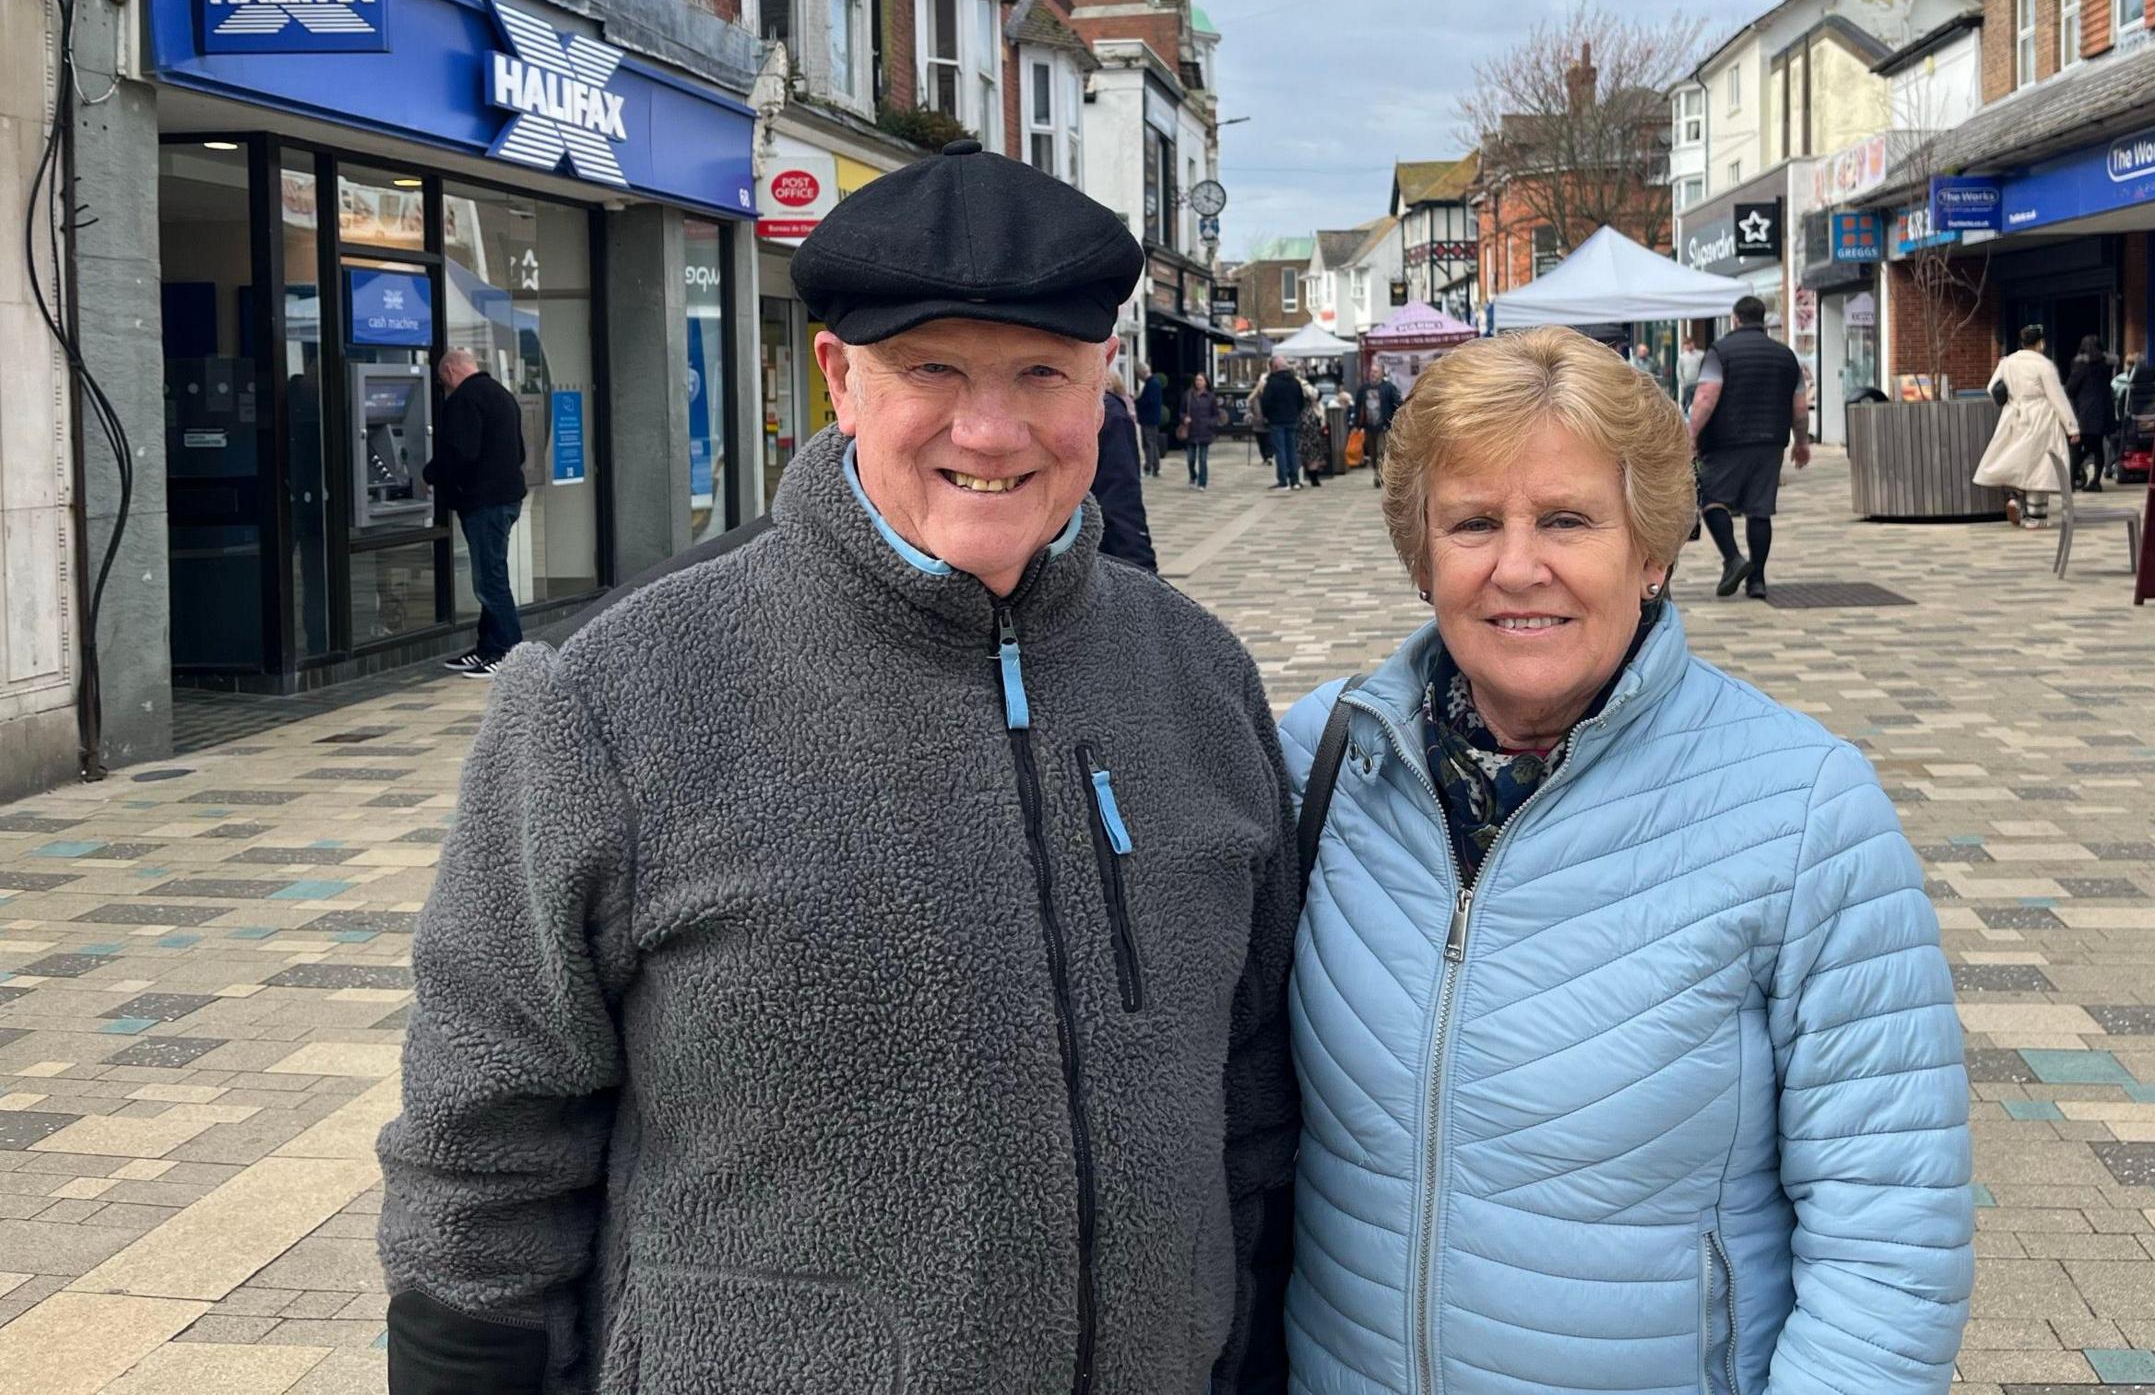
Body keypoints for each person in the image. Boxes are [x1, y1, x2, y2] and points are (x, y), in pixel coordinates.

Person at [377, 138, 1297, 1395]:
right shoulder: (611, 698)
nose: (991, 427)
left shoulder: (1197, 678)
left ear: (1103, 386)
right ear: (839, 380)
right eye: (933, 369)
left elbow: (1248, 1091)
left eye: (1042, 372)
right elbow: (484, 1146)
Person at [1282, 326, 1971, 1395]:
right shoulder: (1321, 760)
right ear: (1421, 555)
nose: (1519, 564)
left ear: (1651, 548)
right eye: (1473, 522)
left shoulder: (1801, 808)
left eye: (1567, 519)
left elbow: (1891, 1229)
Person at [1688, 295, 1811, 599]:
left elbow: (1706, 397)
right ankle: (1757, 580)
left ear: (1735, 319)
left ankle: (1733, 559)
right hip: (1771, 442)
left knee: (1713, 500)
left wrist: (1690, 434)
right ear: (1763, 320)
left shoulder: (1721, 352)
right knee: (1760, 510)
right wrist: (1802, 443)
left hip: (1726, 441)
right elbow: (1800, 408)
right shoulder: (1786, 356)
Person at [424, 346, 527, 679]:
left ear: (452, 372)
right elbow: (521, 451)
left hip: (485, 502)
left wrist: (430, 475)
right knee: (491, 573)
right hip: (507, 499)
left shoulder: (465, 400)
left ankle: (511, 653)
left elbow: (461, 453)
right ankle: (488, 647)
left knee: (489, 580)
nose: (445, 388)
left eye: (443, 382)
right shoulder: (502, 396)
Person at [1973, 324, 2079, 529]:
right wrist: (2071, 426)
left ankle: (2014, 498)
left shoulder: (2008, 362)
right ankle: (2036, 516)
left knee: (2015, 460)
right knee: (2040, 466)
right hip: (2041, 417)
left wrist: (2009, 399)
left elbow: (1991, 387)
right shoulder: (2043, 365)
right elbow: (2057, 396)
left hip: (2014, 414)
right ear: (2041, 343)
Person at [1097, 370, 1158, 569]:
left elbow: (1120, 501)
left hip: (1100, 557)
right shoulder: (1113, 413)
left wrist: (1142, 574)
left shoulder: (1110, 415)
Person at [2064, 334, 2117, 491]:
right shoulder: (2107, 365)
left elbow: (2070, 389)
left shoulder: (2080, 366)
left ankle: (2071, 480)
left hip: (2085, 412)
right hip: (2104, 411)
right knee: (2097, 446)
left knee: (2076, 447)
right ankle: (2095, 482)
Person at [1259, 355, 1308, 491]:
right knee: (1292, 450)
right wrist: (1295, 413)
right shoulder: (1295, 382)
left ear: (1274, 367)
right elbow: (1301, 402)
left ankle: (1283, 481)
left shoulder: (1272, 383)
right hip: (1292, 420)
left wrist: (1267, 416)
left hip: (1277, 421)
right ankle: (1295, 480)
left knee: (1280, 451)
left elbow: (1265, 402)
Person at [1353, 358, 1402, 489]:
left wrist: (1395, 422)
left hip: (1383, 426)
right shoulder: (1363, 388)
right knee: (1373, 453)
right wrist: (1356, 425)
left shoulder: (1389, 388)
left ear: (1381, 373)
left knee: (1382, 451)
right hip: (1369, 426)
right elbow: (1358, 407)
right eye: (1371, 371)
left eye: (1375, 371)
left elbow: (1397, 404)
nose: (1372, 374)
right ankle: (1378, 471)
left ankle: (1379, 476)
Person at [1178, 371, 1220, 488]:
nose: (1198, 382)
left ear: (1206, 382)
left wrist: (1210, 423)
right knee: (1190, 459)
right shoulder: (1188, 395)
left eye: (1201, 380)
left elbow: (1216, 415)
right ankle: (1193, 475)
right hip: (1191, 430)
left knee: (1202, 459)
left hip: (1205, 431)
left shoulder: (1211, 397)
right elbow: (1181, 412)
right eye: (1197, 380)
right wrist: (1184, 418)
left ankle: (1202, 482)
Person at [1133, 361, 1167, 478]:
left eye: (1138, 375)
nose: (1138, 378)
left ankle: (1150, 467)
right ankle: (1155, 468)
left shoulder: (1152, 384)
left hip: (1149, 418)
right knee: (1153, 443)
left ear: (1142, 373)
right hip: (1152, 418)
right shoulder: (1153, 383)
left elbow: (1149, 401)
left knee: (1149, 444)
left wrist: (1137, 401)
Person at [1675, 332, 1706, 411]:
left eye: (1689, 343)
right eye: (1686, 344)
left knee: (1699, 404)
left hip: (1699, 384)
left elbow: (1705, 368)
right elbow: (1679, 371)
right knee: (1687, 403)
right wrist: (1683, 383)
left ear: (1693, 343)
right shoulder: (1682, 357)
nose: (1688, 346)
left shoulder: (1701, 355)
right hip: (1687, 385)